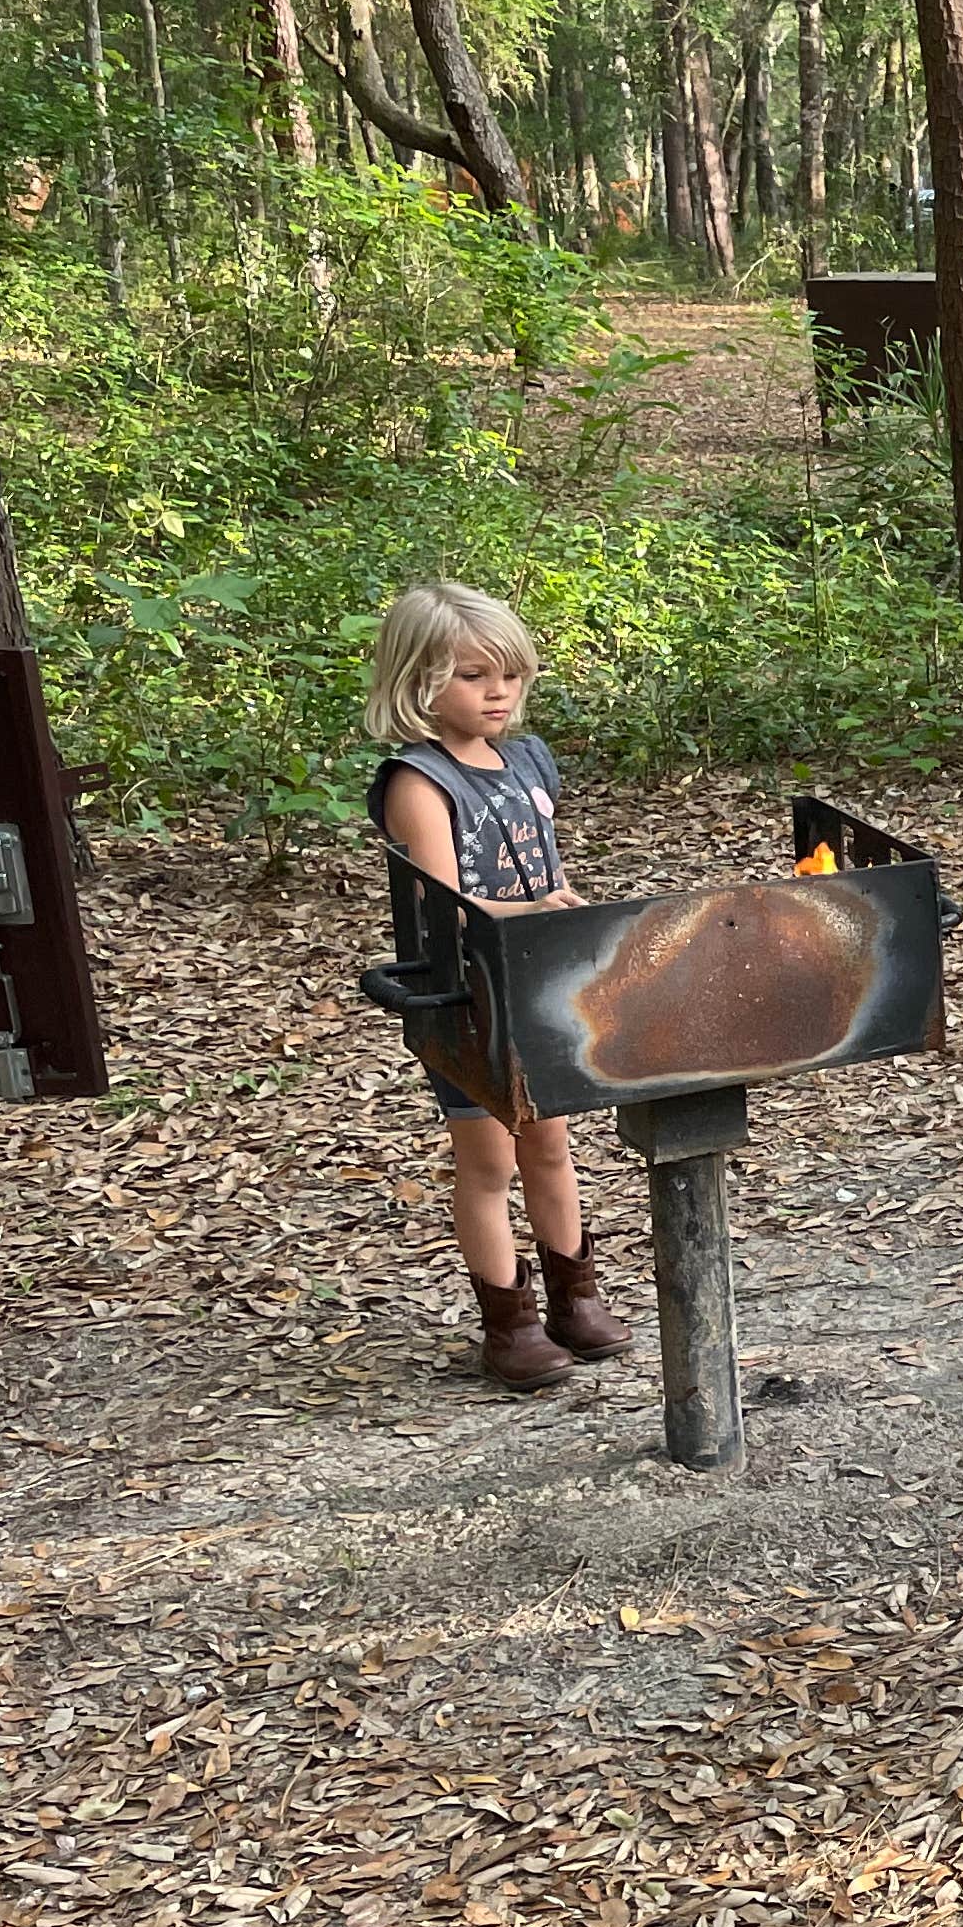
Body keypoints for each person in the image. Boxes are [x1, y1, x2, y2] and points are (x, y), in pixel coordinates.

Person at [361, 581, 631, 1389]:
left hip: (538, 986)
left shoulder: (527, 759)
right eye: (474, 676)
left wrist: (560, 910)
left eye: (510, 675)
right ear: (418, 680)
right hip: (465, 997)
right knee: (488, 1164)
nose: (497, 693)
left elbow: (542, 862)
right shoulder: (419, 781)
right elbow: (445, 904)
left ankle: (575, 1299)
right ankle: (508, 1325)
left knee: (550, 1145)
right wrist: (533, 908)